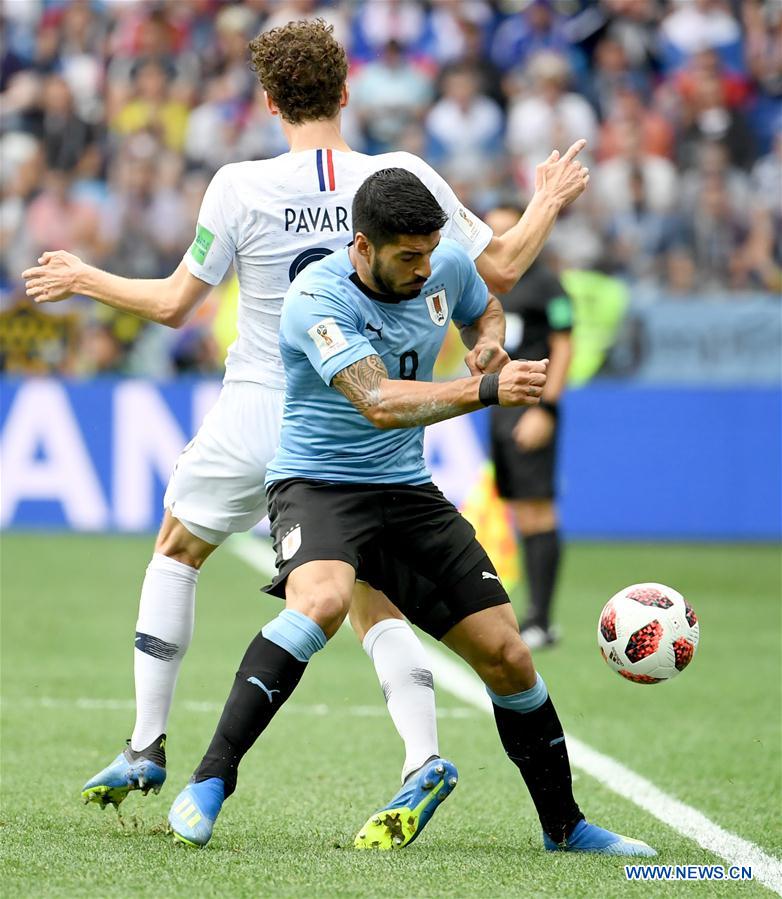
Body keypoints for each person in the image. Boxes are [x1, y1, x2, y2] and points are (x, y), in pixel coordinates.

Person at [21, 19, 589, 816]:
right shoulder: (398, 174)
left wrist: (86, 276)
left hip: (261, 402)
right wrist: (545, 202)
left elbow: (175, 306)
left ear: (266, 102)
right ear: (348, 91)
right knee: (368, 590)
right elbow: (498, 267)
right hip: (359, 418)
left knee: (179, 548)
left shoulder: (239, 185)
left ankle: (147, 743)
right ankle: (422, 752)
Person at [166, 169, 655, 859]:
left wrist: (487, 336)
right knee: (322, 602)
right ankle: (212, 778)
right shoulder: (316, 298)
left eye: (430, 252)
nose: (425, 267)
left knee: (510, 655)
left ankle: (565, 826)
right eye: (408, 256)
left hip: (406, 488)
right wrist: (486, 384)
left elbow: (485, 305)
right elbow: (379, 401)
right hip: (319, 485)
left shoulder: (443, 263)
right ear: (363, 247)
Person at [485, 204, 573, 650]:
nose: (499, 239)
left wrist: (548, 409)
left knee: (538, 509)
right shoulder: (485, 283)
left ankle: (541, 618)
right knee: (520, 509)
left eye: (507, 229)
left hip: (531, 407)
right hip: (501, 407)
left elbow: (563, 344)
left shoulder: (545, 283)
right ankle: (534, 616)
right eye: (492, 230)